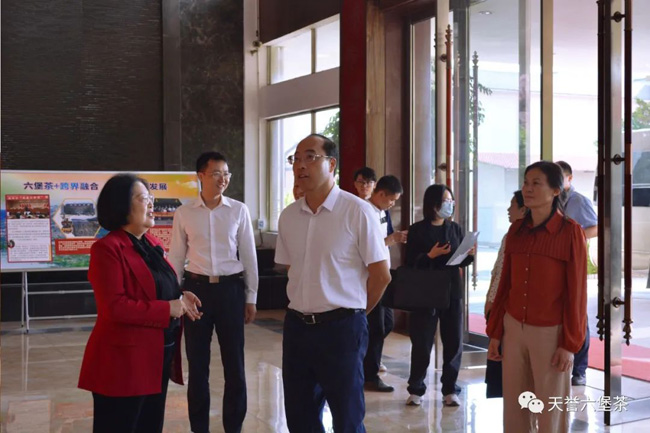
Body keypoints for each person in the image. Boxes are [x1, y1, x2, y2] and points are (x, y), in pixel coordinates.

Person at [275, 134, 392, 432]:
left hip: (341, 329)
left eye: (310, 157)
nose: (301, 165)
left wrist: (355, 314)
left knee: (347, 418)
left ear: (331, 164)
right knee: (300, 417)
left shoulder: (357, 211)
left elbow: (381, 275)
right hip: (297, 328)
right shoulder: (289, 216)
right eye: (296, 159)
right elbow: (292, 269)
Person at [78, 173, 202, 433]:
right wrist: (167, 308)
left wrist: (180, 296)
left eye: (151, 197)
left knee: (150, 426)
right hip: (123, 363)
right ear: (121, 205)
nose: (151, 203)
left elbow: (153, 287)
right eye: (143, 198)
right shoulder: (107, 249)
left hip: (156, 357)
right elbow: (114, 307)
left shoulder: (151, 243)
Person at [487, 161, 587, 433]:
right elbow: (505, 285)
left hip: (550, 333)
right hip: (513, 327)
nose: (528, 189)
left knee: (550, 409)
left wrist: (569, 344)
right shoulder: (516, 230)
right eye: (526, 183)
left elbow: (577, 293)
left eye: (536, 183)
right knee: (515, 404)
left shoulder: (570, 232)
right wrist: (496, 332)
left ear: (556, 190)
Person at [169, 152, 258, 433]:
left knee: (235, 365)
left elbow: (249, 256)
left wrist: (251, 297)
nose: (223, 179)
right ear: (201, 176)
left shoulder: (238, 210)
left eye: (226, 174)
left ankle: (234, 427)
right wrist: (176, 296)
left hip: (231, 290)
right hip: (196, 292)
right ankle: (200, 428)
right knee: (198, 366)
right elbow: (175, 258)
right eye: (217, 173)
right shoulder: (184, 213)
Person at [404, 184, 474, 407]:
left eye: (451, 201)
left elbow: (460, 261)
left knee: (453, 341)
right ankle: (416, 388)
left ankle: (450, 389)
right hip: (425, 292)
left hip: (452, 290)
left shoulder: (455, 229)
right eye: (446, 201)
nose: (450, 204)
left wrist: (469, 254)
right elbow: (410, 262)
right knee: (422, 342)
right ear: (433, 204)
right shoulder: (417, 230)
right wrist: (430, 255)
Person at [363, 175, 408, 393]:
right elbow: (366, 247)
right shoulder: (364, 212)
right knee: (376, 326)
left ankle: (367, 364)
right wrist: (392, 239)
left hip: (384, 274)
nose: (392, 204)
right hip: (370, 277)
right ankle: (369, 375)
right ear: (380, 194)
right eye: (391, 200)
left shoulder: (383, 212)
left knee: (386, 323)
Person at [556, 160, 596, 387]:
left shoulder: (578, 200)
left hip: (574, 261)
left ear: (570, 178)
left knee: (578, 313)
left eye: (560, 177)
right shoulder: (552, 200)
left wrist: (573, 239)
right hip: (555, 262)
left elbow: (595, 227)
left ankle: (580, 369)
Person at [483, 190, 527, 398]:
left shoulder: (514, 237)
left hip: (506, 308)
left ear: (524, 209)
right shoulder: (510, 234)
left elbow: (501, 275)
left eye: (512, 205)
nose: (509, 210)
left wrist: (491, 302)